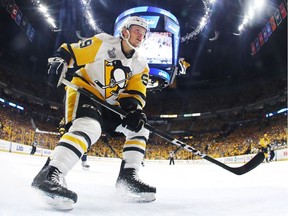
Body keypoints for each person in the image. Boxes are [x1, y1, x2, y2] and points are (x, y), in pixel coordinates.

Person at [31, 16, 156, 208]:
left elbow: (135, 93)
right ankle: (49, 175)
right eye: (137, 30)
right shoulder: (104, 42)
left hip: (109, 104)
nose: (141, 34)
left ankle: (127, 179)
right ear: (125, 31)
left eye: (144, 32)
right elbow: (70, 51)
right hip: (85, 91)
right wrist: (60, 62)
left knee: (141, 129)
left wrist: (134, 112)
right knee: (90, 127)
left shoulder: (141, 64)